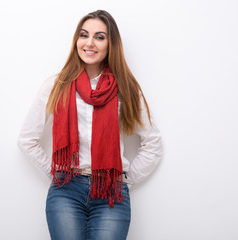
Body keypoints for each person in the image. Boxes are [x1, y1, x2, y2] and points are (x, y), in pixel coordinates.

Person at [18, 9, 162, 240]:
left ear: (110, 44)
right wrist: (57, 176)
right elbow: (27, 140)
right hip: (66, 190)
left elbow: (152, 142)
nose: (89, 43)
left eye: (100, 37)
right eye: (84, 35)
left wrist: (124, 179)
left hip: (111, 193)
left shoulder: (125, 88)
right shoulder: (56, 85)